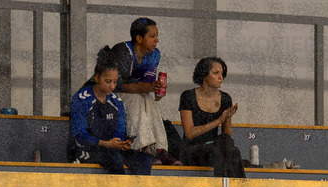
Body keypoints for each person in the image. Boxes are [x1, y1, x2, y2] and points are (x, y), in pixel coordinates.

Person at [68, 47, 152, 175]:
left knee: (144, 160)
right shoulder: (81, 99)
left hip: (110, 149)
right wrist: (106, 144)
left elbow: (119, 131)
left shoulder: (116, 102)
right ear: (97, 78)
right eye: (108, 81)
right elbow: (80, 135)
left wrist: (120, 143)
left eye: (115, 82)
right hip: (86, 149)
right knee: (114, 159)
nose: (112, 86)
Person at [107, 17, 179, 166]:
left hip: (134, 95)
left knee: (147, 99)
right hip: (107, 95)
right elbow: (118, 85)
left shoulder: (154, 54)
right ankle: (142, 148)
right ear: (139, 38)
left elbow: (146, 84)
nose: (156, 40)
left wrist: (155, 89)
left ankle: (160, 149)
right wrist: (148, 87)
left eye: (157, 36)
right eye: (152, 36)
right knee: (137, 99)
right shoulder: (122, 51)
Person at [178, 57, 243, 177]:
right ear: (204, 76)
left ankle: (236, 186)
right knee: (223, 151)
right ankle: (226, 184)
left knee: (233, 150)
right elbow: (189, 133)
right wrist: (218, 121)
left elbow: (227, 134)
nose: (220, 77)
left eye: (222, 73)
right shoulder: (188, 96)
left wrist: (227, 118)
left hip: (215, 146)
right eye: (216, 73)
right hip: (192, 149)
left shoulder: (225, 98)